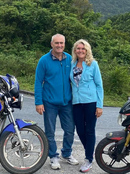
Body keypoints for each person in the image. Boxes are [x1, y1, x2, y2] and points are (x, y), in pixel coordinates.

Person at [34, 34, 79, 170]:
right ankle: (53, 156)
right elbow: (38, 82)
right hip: (49, 103)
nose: (59, 45)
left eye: (62, 43)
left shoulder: (69, 59)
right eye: (57, 43)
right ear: (51, 44)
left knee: (70, 130)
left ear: (65, 44)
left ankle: (66, 153)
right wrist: (38, 102)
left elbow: (76, 80)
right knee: (50, 131)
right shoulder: (44, 60)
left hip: (67, 102)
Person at [70, 39, 104, 173]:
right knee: (79, 130)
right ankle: (90, 151)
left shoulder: (93, 64)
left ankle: (88, 158)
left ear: (87, 50)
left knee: (89, 130)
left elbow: (99, 85)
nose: (80, 51)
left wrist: (99, 106)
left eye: (83, 49)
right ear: (75, 50)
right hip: (76, 102)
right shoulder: (72, 64)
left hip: (91, 102)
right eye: (78, 48)